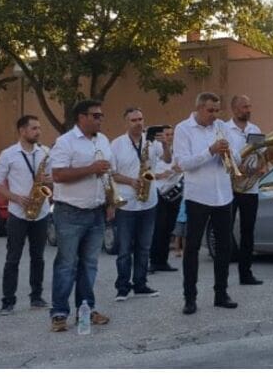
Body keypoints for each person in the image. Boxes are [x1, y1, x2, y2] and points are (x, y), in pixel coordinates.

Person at [48, 99, 115, 333]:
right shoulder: (65, 142)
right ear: (81, 117)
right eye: (95, 116)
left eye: (101, 116)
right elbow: (57, 174)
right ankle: (59, 313)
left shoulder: (104, 140)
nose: (100, 119)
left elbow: (107, 173)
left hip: (96, 210)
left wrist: (110, 201)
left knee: (90, 265)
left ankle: (87, 308)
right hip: (70, 211)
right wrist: (90, 168)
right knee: (66, 264)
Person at [173, 91, 238, 315]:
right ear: (199, 108)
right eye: (210, 110)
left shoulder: (222, 126)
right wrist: (210, 151)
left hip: (223, 194)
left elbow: (236, 158)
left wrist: (229, 153)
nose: (214, 115)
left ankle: (221, 293)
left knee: (224, 247)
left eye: (217, 110)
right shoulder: (183, 129)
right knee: (192, 248)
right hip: (198, 195)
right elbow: (183, 163)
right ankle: (189, 297)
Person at [0, 114, 51, 315]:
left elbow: (53, 179)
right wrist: (16, 198)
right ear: (22, 131)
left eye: (39, 128)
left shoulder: (44, 152)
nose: (38, 132)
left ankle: (37, 297)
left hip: (40, 211)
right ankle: (8, 301)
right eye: (34, 128)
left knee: (38, 258)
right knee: (13, 258)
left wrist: (47, 180)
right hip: (18, 212)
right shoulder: (9, 154)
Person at [109, 106, 160, 301]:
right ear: (126, 123)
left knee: (144, 247)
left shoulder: (151, 142)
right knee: (124, 250)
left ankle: (141, 284)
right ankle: (122, 287)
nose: (139, 123)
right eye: (134, 120)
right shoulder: (117, 144)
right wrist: (131, 181)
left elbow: (167, 160)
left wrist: (166, 146)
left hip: (149, 202)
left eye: (141, 119)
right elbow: (111, 173)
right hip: (127, 203)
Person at [223, 94, 265, 285]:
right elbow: (224, 157)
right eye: (244, 107)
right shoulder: (224, 129)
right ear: (234, 109)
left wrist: (259, 168)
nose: (248, 110)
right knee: (225, 230)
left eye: (249, 106)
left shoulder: (254, 129)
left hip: (250, 188)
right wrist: (238, 168)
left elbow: (261, 154)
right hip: (230, 187)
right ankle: (222, 275)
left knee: (248, 231)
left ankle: (245, 274)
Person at [148, 124, 182, 273]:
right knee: (158, 228)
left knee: (169, 228)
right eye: (166, 135)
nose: (170, 137)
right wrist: (159, 175)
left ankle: (163, 261)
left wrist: (179, 169)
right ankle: (153, 261)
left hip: (174, 193)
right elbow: (144, 171)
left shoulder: (178, 150)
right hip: (158, 192)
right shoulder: (154, 149)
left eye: (171, 134)